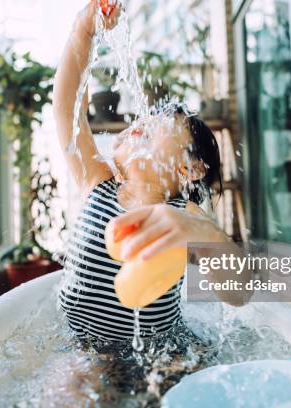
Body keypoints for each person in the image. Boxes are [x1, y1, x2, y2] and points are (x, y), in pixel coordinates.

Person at [53, 0, 235, 341]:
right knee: (72, 384)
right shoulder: (98, 181)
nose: (142, 123)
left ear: (190, 168)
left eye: (155, 127)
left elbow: (238, 294)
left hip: (159, 352)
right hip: (82, 345)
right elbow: (66, 109)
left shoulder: (185, 215)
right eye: (143, 121)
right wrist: (83, 32)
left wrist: (207, 234)